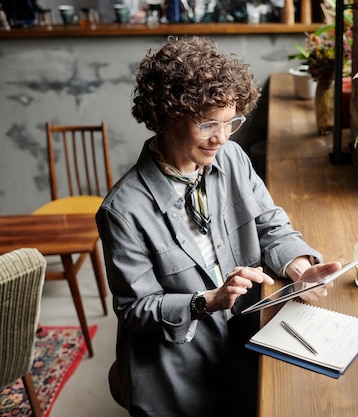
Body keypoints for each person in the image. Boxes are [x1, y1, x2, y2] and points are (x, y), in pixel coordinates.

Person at [96, 36, 341, 417]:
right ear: (166, 116)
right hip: (174, 371)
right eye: (208, 123)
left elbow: (268, 222)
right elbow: (135, 309)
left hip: (243, 339)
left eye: (231, 122)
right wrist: (208, 300)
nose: (222, 138)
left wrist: (299, 265)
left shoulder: (232, 158)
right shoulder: (123, 210)